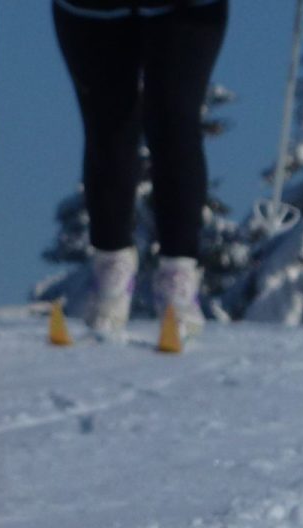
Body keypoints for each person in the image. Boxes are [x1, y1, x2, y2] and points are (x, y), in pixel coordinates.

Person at [54, 0, 229, 341]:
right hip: (92, 9)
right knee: (109, 128)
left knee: (175, 120)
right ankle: (111, 271)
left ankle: (178, 279)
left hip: (187, 9)